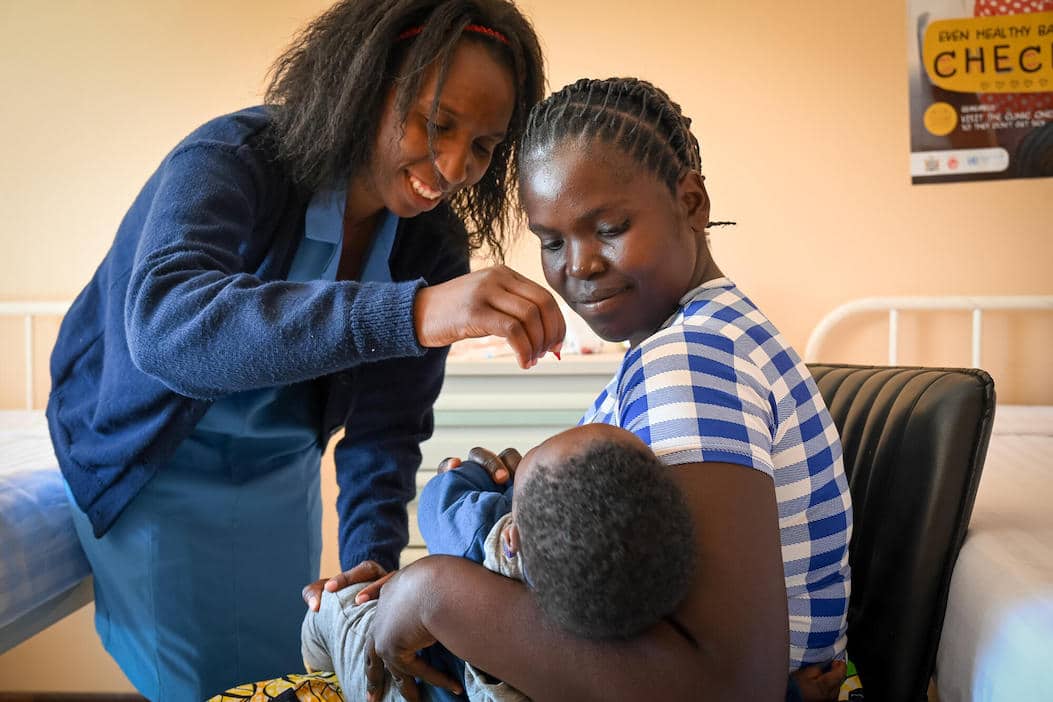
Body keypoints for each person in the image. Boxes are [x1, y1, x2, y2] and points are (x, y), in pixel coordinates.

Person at [45, 2, 563, 699]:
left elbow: (386, 428)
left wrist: (371, 563)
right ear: (361, 84)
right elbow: (167, 330)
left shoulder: (430, 241)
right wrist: (409, 312)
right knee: (199, 687)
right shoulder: (230, 160)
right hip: (151, 467)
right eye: (436, 124)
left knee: (288, 675)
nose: (453, 167)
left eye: (482, 146)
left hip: (276, 470)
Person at [314, 77, 853, 702]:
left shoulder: (691, 363)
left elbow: (730, 686)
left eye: (610, 227)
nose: (580, 264)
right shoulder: (708, 337)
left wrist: (435, 595)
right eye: (551, 241)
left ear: (692, 203)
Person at [299, 423, 696, 701]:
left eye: (533, 457)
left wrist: (476, 477)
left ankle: (315, 664)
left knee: (333, 605)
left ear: (512, 539)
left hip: (398, 683)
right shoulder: (619, 593)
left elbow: (440, 501)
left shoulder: (487, 535)